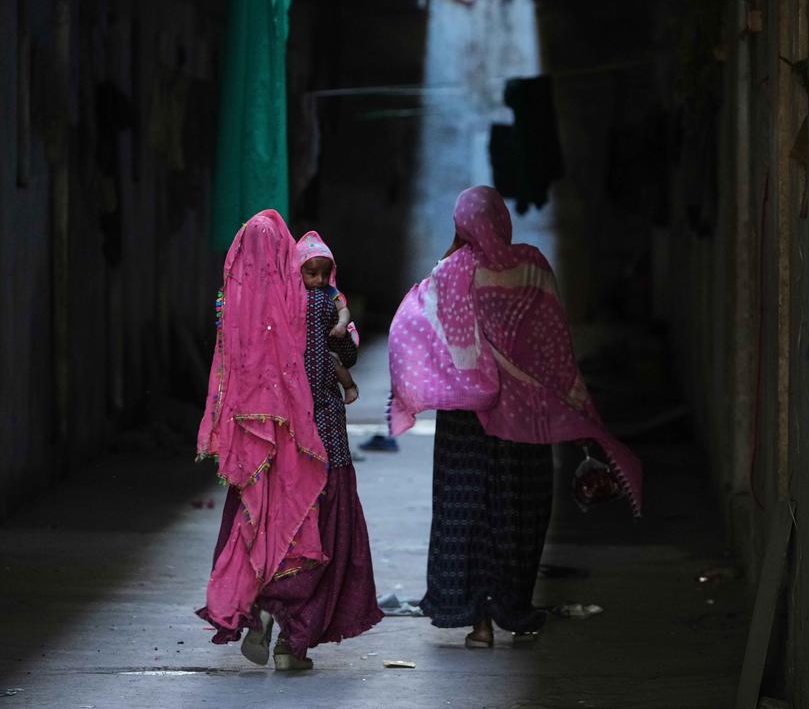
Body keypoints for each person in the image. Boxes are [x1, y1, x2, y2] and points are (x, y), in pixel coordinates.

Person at [388, 186, 643, 648]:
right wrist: (571, 406)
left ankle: (478, 622)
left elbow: (413, 329)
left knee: (466, 510)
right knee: (517, 511)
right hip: (524, 418)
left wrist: (432, 384)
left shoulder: (447, 273)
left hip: (466, 416)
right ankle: (512, 608)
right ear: (503, 220)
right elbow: (554, 345)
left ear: (460, 224)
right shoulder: (532, 268)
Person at [196, 211, 382, 671]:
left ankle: (259, 610)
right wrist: (342, 326)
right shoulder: (313, 305)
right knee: (313, 532)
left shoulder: (233, 309)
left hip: (259, 451)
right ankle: (291, 642)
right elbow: (345, 354)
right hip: (317, 442)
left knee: (261, 530)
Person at [297, 231, 361, 404]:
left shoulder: (330, 292)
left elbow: (343, 309)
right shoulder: (294, 293)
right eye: (313, 274)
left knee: (333, 363)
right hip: (301, 348)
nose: (320, 280)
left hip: (325, 345)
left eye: (325, 274)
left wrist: (341, 324)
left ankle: (350, 387)